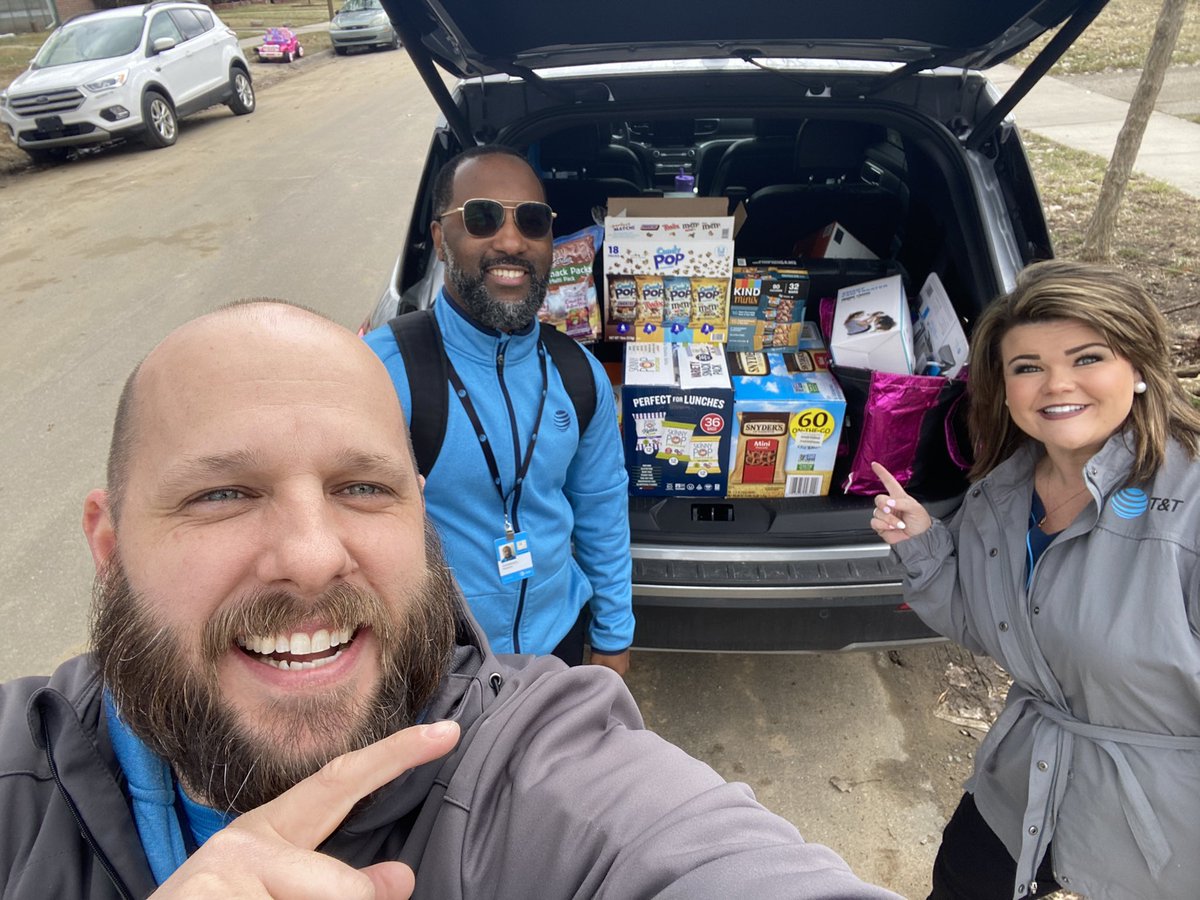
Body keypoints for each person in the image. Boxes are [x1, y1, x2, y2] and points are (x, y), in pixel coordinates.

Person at [1, 301, 902, 899]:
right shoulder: (17, 783)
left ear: (418, 514)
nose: (312, 558)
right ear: (108, 546)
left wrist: (615, 635)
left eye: (363, 487)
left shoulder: (544, 777)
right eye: (221, 494)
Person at [869, 260, 1200, 900]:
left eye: (1087, 358)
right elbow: (989, 627)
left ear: (1138, 370)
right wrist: (925, 549)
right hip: (1024, 783)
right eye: (1027, 367)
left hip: (1164, 837)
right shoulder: (1003, 491)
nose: (1056, 384)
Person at [364, 145, 633, 675]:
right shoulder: (381, 371)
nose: (511, 241)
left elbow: (602, 512)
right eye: (483, 218)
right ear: (441, 240)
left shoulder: (579, 374)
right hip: (437, 661)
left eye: (532, 222)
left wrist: (613, 637)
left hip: (560, 643)